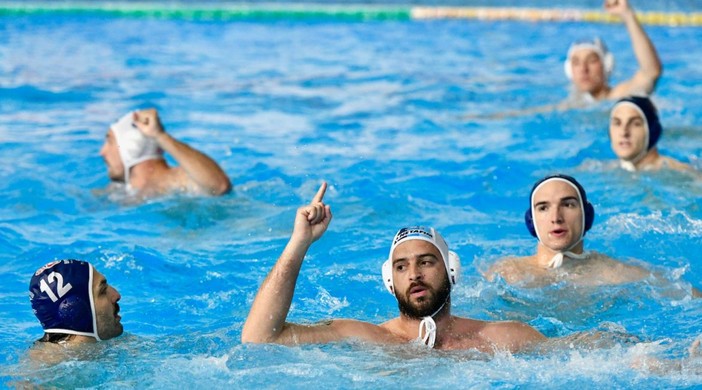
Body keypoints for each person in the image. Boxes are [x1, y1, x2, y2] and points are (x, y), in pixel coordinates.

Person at [241, 182, 546, 352]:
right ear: (389, 280)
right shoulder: (362, 337)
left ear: (452, 271)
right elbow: (259, 338)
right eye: (401, 267)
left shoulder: (501, 337)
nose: (414, 274)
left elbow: (585, 351)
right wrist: (299, 243)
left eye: (426, 262)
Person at [485, 174, 701, 296]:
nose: (556, 217)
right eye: (543, 208)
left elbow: (688, 296)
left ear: (587, 215)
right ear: (531, 221)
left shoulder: (612, 272)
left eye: (568, 204)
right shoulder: (508, 273)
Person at [99, 108, 232, 198]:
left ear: (130, 146)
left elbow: (219, 186)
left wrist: (159, 135)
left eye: (110, 141)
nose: (102, 152)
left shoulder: (175, 181)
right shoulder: (118, 190)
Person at [564, 0, 662, 102]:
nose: (583, 69)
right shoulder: (567, 106)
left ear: (607, 65)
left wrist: (627, 15)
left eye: (592, 60)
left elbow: (651, 72)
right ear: (569, 70)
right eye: (576, 63)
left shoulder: (619, 97)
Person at [29, 259, 123, 345]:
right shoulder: (47, 363)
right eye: (102, 291)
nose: (117, 295)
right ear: (74, 311)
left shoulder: (117, 345)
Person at [609, 96, 692, 172]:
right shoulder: (608, 169)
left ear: (652, 131)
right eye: (617, 123)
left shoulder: (679, 172)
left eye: (635, 124)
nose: (624, 132)